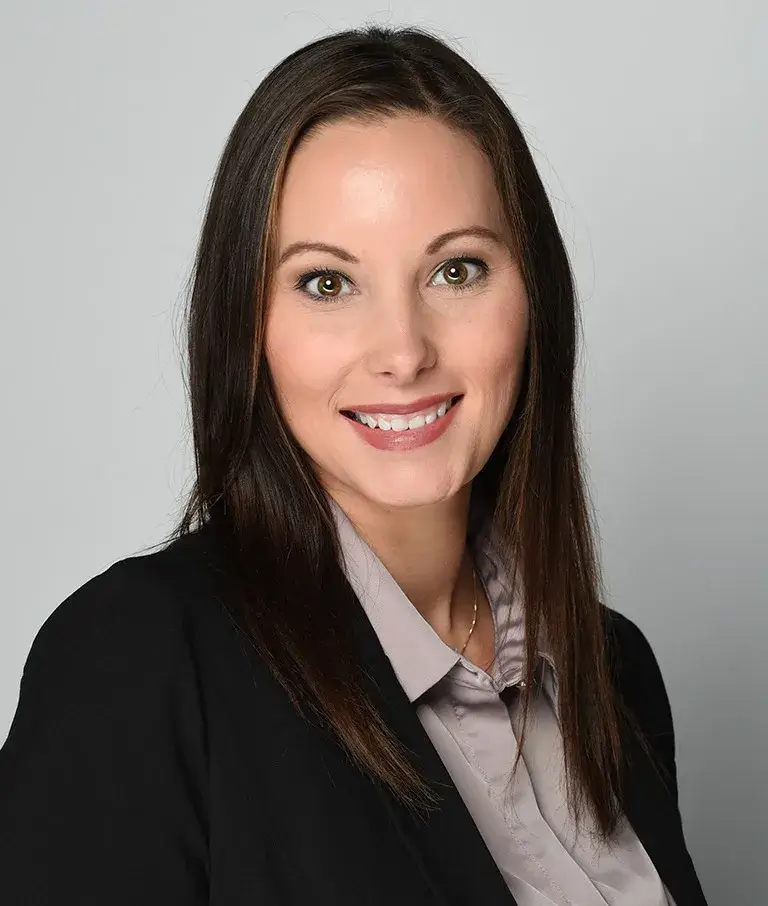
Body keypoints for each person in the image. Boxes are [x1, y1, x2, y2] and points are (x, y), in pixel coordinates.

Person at [0, 24, 708, 906]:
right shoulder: (139, 664)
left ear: (535, 296)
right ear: (247, 325)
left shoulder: (614, 669)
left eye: (457, 271)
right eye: (327, 283)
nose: (403, 353)